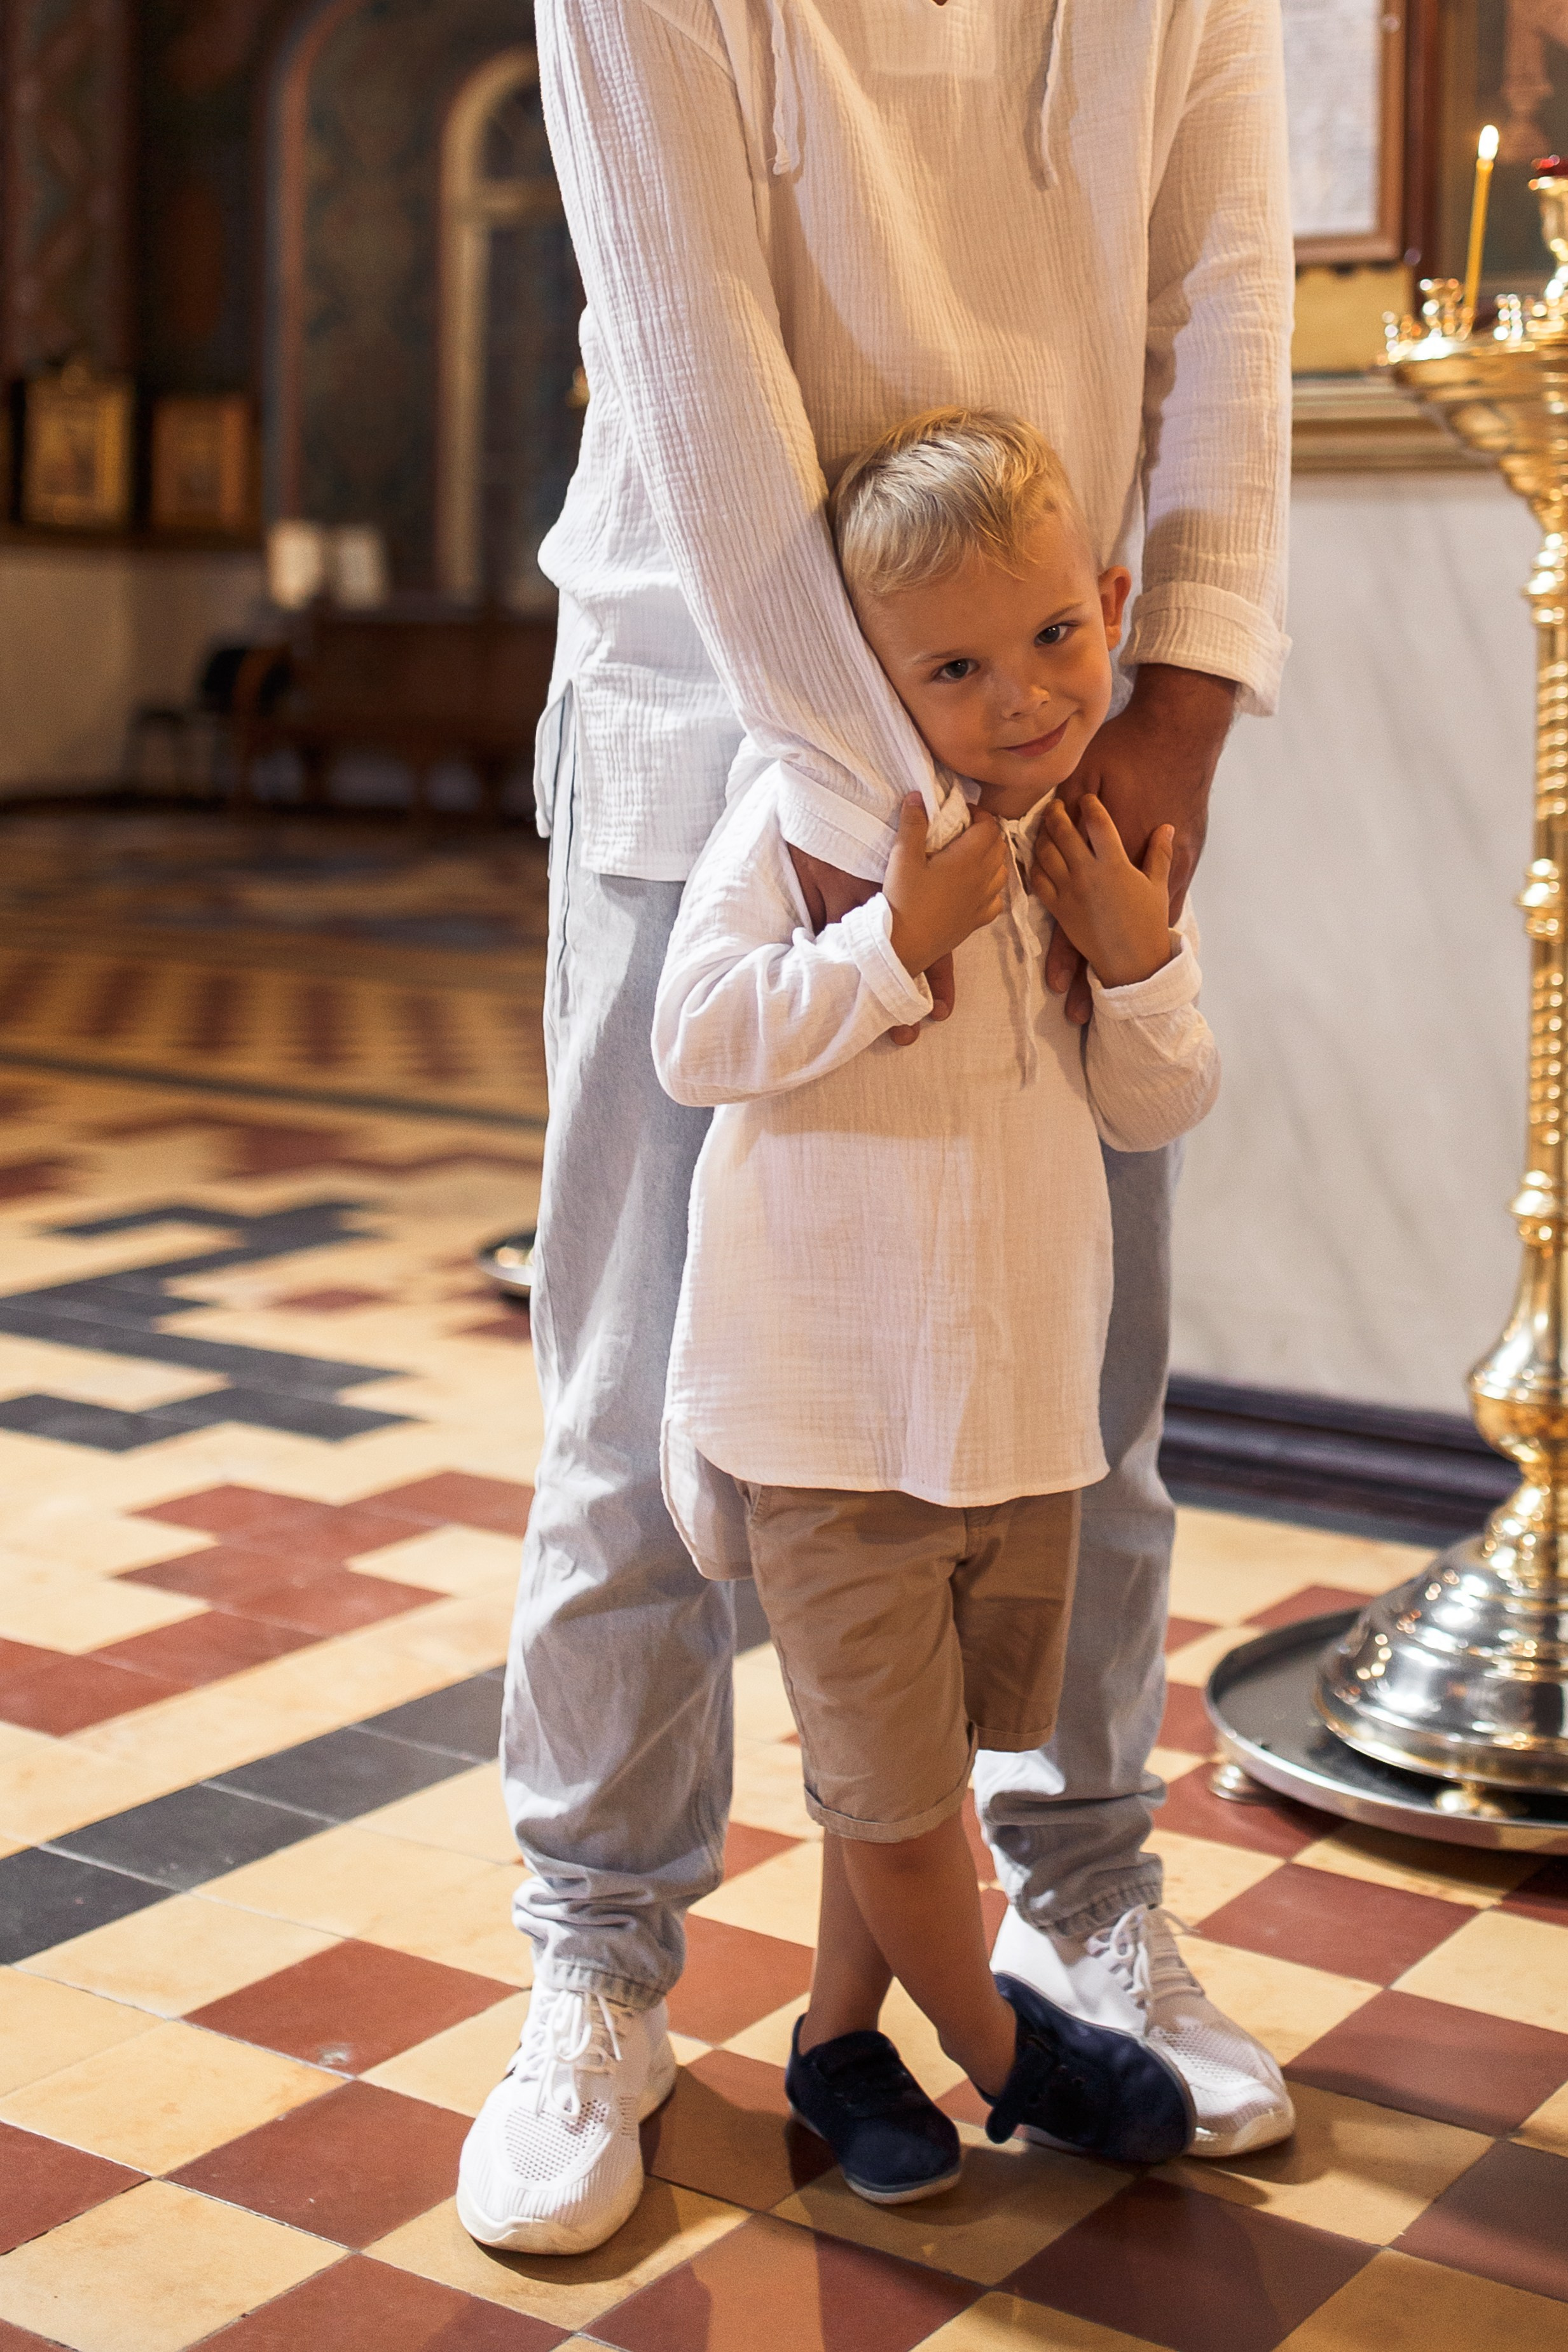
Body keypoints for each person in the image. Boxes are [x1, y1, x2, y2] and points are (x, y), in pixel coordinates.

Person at [458, 0, 1296, 2259]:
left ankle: (1085, 1897)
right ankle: (604, 1953)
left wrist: (1168, 701)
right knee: (653, 1403)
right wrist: (904, 816)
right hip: (716, 707)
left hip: (1052, 710)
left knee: (1071, 1403)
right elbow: (707, 372)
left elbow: (1224, 288)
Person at [650, 409, 1218, 2204]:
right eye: (954, 665)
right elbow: (694, 1039)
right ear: (868, 672)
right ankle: (1002, 2043)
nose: (1024, 693)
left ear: (1111, 601)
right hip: (826, 1403)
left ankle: (837, 2038)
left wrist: (1134, 958)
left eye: (1054, 634)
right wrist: (889, 945)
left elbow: (1158, 1102)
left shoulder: (1085, 844)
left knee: (912, 1760)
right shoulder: (813, 822)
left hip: (1010, 1398)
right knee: (889, 1780)